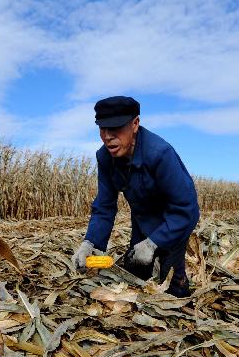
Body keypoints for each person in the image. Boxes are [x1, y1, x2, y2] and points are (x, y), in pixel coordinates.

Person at [71, 96, 199, 297]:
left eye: (115, 129)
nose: (107, 137)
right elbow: (105, 206)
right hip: (142, 222)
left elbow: (187, 210)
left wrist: (153, 243)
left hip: (172, 226)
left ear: (135, 124)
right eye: (102, 129)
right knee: (137, 283)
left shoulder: (160, 154)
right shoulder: (105, 157)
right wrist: (90, 243)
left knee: (173, 290)